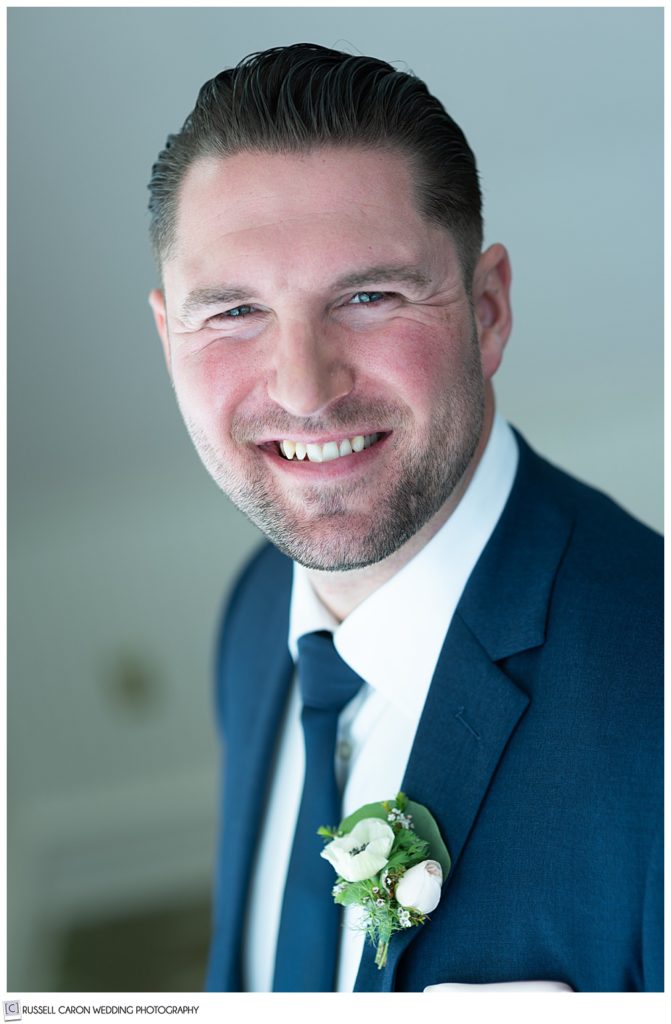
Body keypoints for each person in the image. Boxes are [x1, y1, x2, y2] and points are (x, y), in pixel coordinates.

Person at [147, 44, 662, 993]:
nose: (304, 389)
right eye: (231, 313)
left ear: (488, 310)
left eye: (368, 297)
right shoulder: (255, 617)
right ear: (166, 331)